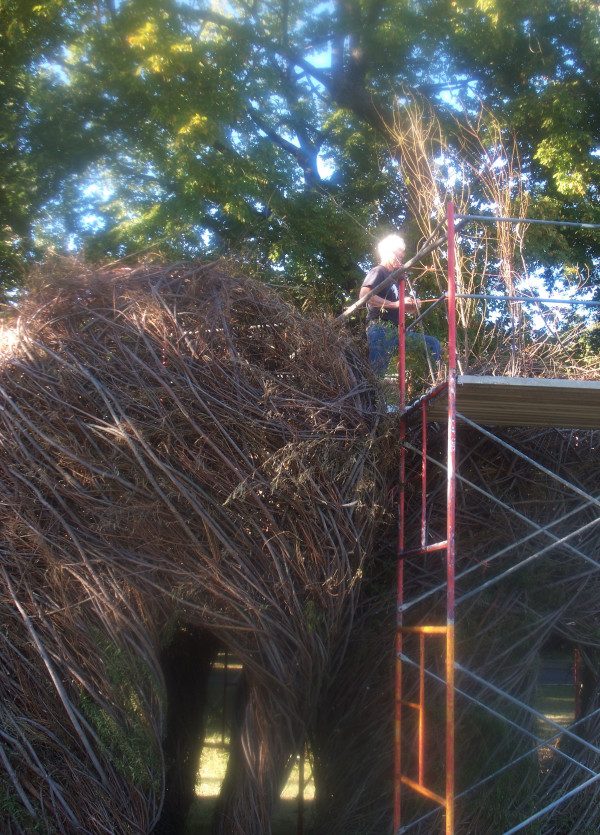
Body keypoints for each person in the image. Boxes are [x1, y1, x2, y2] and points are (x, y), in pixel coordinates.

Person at [360, 234, 442, 376]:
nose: (403, 255)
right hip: (380, 328)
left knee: (432, 344)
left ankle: (437, 383)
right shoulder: (379, 271)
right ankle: (369, 397)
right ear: (388, 251)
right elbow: (364, 296)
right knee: (375, 374)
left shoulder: (395, 280)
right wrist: (396, 304)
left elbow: (402, 308)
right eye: (399, 250)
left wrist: (411, 306)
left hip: (397, 330)